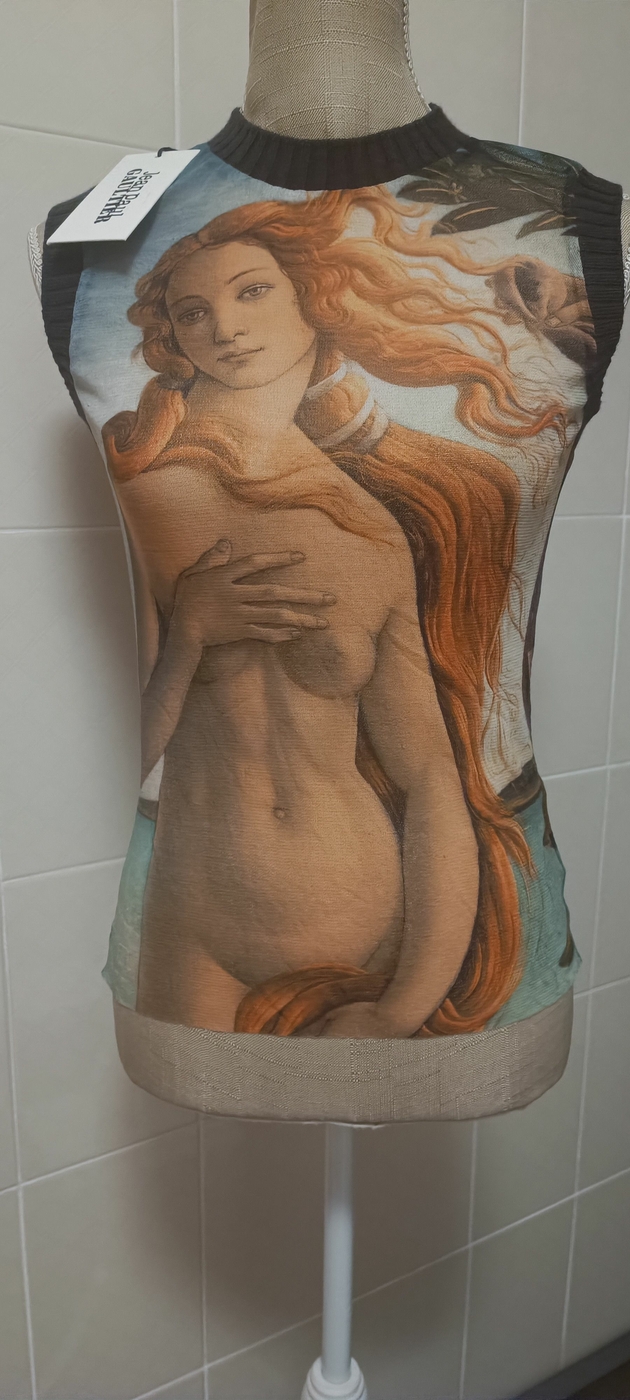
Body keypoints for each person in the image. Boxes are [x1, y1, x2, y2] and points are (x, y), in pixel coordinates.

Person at [101, 184, 571, 1039]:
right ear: (175, 337)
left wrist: (403, 1006)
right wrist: (191, 635)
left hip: (364, 927)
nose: (225, 327)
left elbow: (432, 784)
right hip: (190, 918)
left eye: (252, 292)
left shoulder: (369, 530)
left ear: (312, 300)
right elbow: (128, 748)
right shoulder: (158, 489)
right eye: (193, 313)